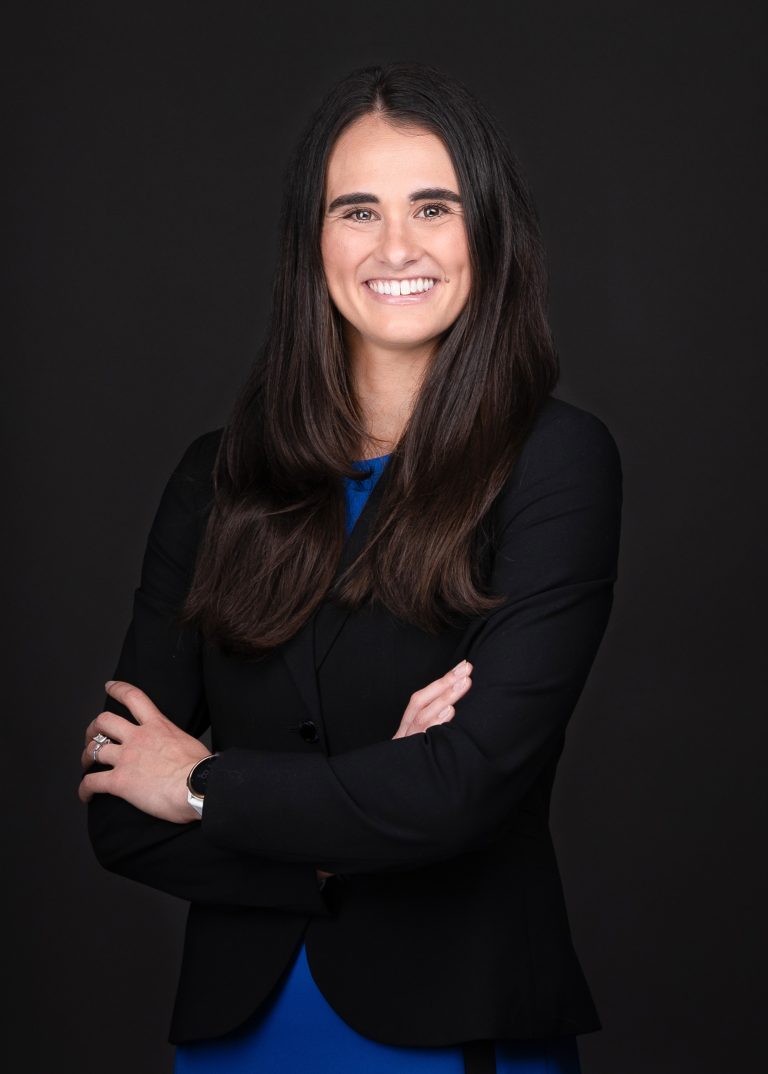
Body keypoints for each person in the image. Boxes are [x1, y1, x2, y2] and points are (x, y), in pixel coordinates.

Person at [79, 62, 622, 1074]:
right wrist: (369, 810)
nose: (397, 247)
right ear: (312, 242)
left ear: (487, 233)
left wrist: (202, 785)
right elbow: (119, 812)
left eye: (434, 207)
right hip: (238, 1037)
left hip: (456, 1027)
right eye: (358, 210)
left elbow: (459, 792)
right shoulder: (218, 478)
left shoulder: (555, 461)